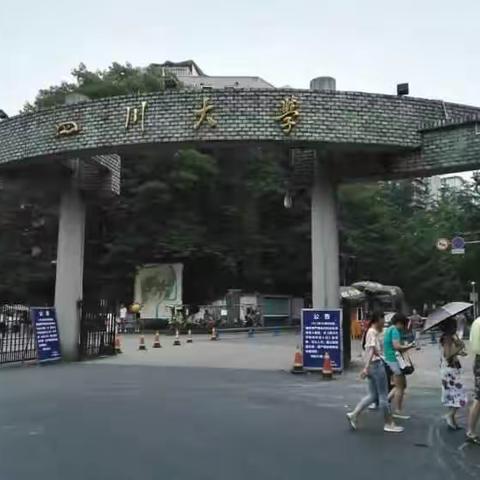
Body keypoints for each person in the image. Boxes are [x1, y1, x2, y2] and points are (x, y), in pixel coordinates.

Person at [346, 311, 404, 433]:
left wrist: (368, 367)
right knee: (383, 396)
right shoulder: (372, 332)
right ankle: (389, 423)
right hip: (376, 366)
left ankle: (354, 414)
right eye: (383, 319)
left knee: (373, 395)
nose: (384, 322)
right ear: (378, 319)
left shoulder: (371, 332)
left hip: (372, 366)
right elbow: (372, 350)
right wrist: (366, 367)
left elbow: (371, 350)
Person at [383, 312, 415, 420]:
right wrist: (409, 346)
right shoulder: (395, 331)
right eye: (403, 325)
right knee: (400, 387)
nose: (404, 327)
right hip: (395, 360)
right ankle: (398, 410)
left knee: (400, 385)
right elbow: (396, 346)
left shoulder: (389, 329)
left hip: (390, 359)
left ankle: (385, 402)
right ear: (400, 323)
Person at [439, 318, 467, 430]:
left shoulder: (450, 337)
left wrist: (459, 348)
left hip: (449, 370)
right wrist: (459, 348)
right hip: (450, 371)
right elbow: (447, 355)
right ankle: (449, 416)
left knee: (452, 396)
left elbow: (451, 352)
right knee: (460, 396)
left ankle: (452, 420)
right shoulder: (447, 338)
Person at [467, 315, 480, 444]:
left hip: (478, 360)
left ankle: (471, 430)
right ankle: (470, 431)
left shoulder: (476, 322)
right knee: (479, 398)